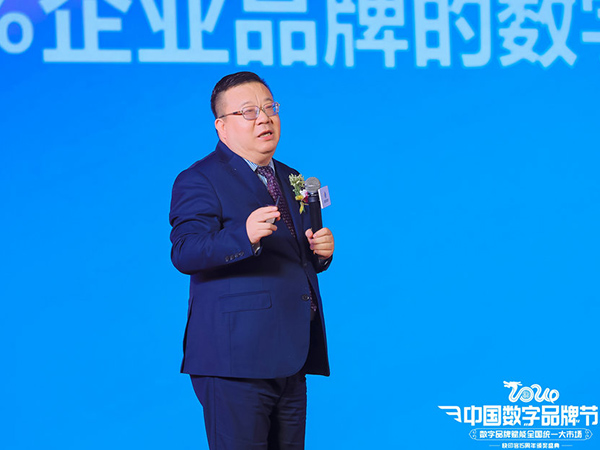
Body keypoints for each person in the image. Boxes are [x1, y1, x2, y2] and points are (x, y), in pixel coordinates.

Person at [169, 71, 335, 450]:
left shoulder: (290, 176)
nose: (264, 118)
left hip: (291, 354)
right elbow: (185, 250)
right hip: (235, 360)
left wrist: (320, 253)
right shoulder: (199, 179)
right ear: (222, 127)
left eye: (269, 107)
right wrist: (242, 236)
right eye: (248, 112)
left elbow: (293, 255)